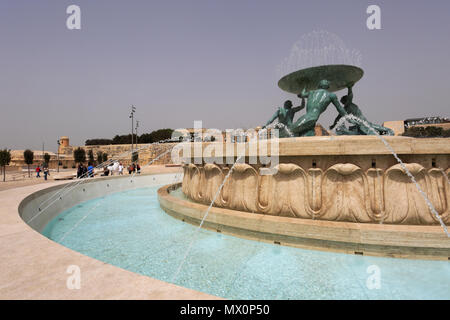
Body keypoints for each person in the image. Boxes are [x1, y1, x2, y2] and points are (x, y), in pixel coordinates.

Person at [330, 84, 394, 136]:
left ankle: (388, 130)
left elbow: (350, 96)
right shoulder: (346, 107)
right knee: (368, 127)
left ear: (345, 100)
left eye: (343, 101)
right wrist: (334, 125)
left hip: (360, 119)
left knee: (368, 127)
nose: (342, 103)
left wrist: (350, 88)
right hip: (358, 121)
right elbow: (339, 117)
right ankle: (386, 131)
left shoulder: (349, 104)